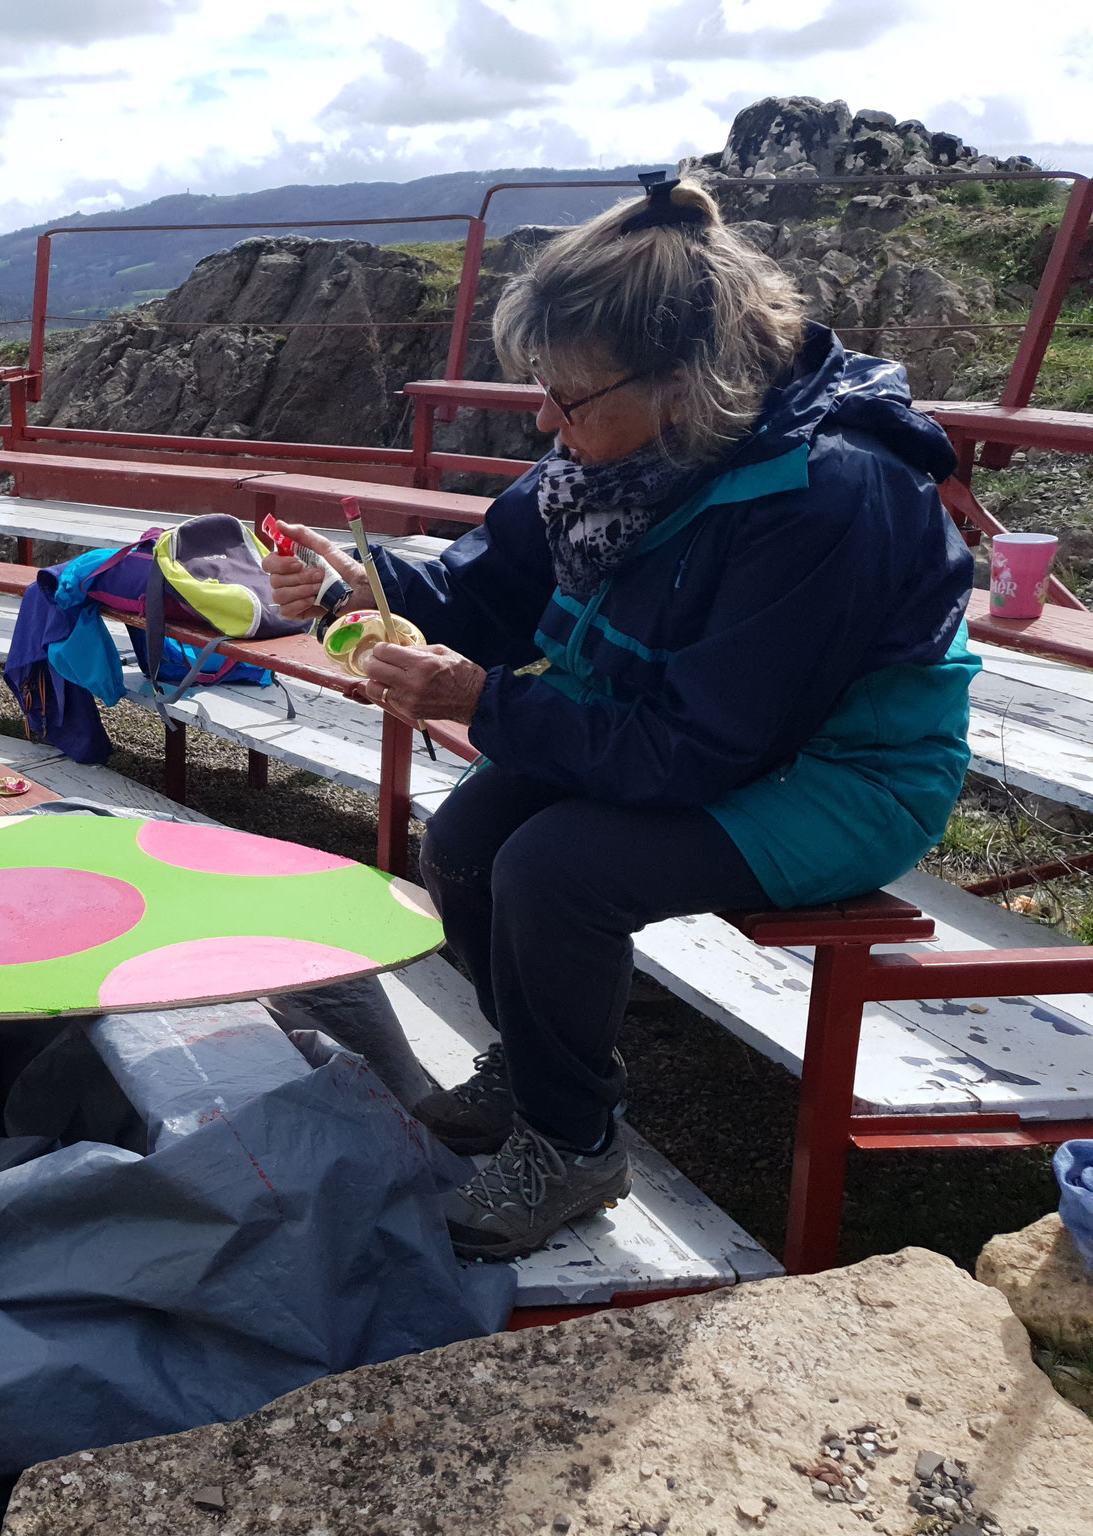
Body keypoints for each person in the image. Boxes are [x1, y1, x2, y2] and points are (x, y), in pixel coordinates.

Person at [266, 176, 976, 1260]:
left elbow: (701, 748)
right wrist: (360, 593)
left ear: (685, 384)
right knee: (461, 843)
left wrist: (481, 701)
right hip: (669, 720)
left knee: (555, 872)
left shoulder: (830, 491)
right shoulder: (608, 452)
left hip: (839, 773)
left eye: (567, 400)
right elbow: (488, 596)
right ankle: (534, 1067)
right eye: (540, 395)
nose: (546, 425)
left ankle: (572, 1139)